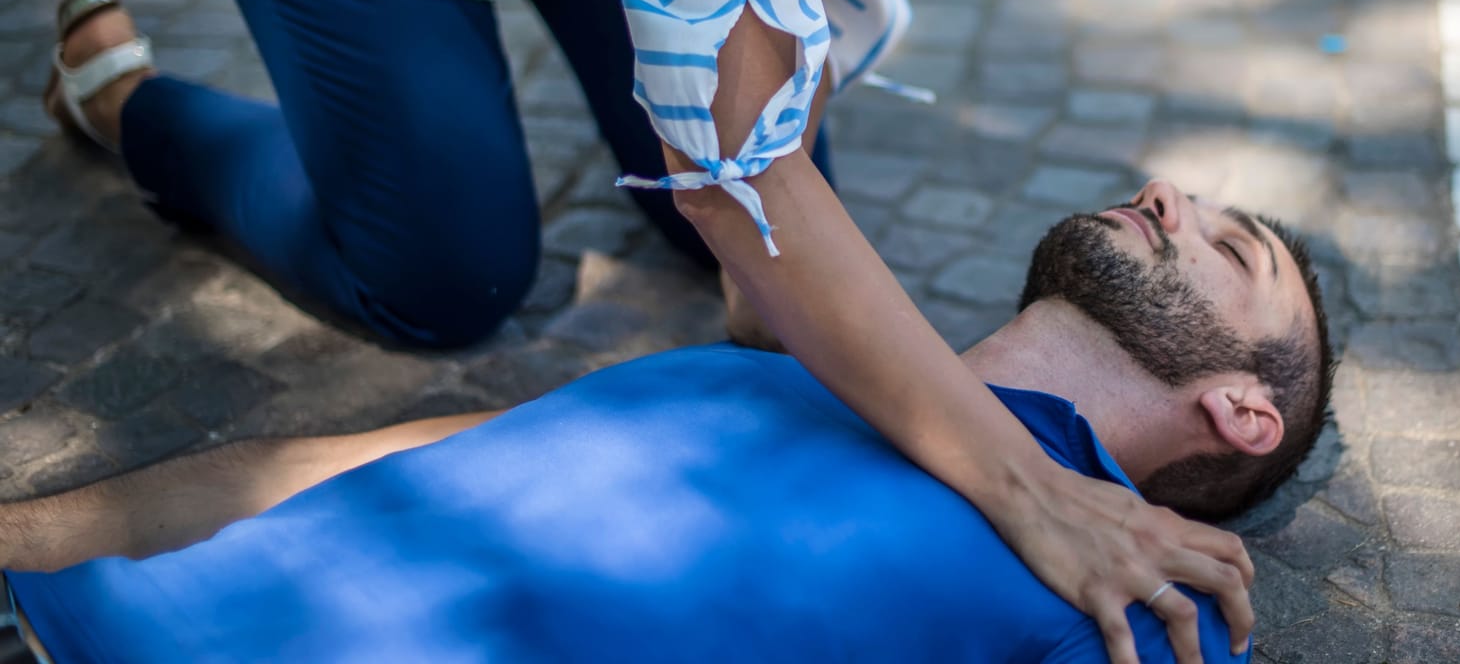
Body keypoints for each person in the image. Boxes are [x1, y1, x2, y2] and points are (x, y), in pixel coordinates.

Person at [37, 0, 1328, 653]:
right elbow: (730, 172)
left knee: (766, 244)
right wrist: (1026, 488)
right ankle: (130, 107)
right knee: (442, 278)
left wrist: (784, 350)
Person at [0, 181, 1332, 663]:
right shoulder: (774, 365)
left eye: (1235, 247)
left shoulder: (1154, 591)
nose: (1169, 195)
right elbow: (352, 476)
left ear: (1241, 409)